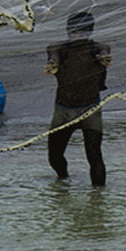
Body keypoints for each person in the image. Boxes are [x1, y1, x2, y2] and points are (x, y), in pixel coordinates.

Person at [44, 11, 112, 186]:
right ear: (67, 31)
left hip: (91, 110)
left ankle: (98, 197)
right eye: (73, 32)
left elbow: (104, 51)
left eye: (82, 32)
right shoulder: (58, 49)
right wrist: (53, 64)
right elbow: (53, 56)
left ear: (90, 32)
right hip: (63, 111)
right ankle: (63, 179)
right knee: (54, 155)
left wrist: (103, 58)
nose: (77, 36)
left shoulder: (99, 49)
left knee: (94, 154)